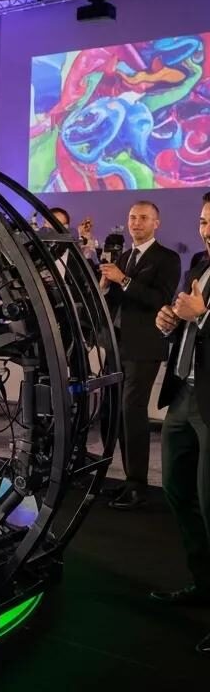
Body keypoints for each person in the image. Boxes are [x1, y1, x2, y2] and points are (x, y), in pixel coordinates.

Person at [154, 192, 210, 654]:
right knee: (178, 492)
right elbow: (188, 323)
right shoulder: (199, 269)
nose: (205, 229)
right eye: (203, 220)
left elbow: (204, 320)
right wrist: (171, 322)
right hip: (183, 395)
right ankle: (203, 582)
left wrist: (204, 317)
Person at [100, 200, 181, 510]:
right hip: (117, 344)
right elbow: (115, 302)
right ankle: (127, 480)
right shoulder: (123, 256)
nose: (136, 223)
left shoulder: (167, 258)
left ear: (156, 223)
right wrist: (105, 286)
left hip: (145, 347)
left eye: (144, 218)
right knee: (116, 412)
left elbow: (158, 298)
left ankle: (138, 485)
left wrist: (123, 279)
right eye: (132, 217)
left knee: (132, 411)